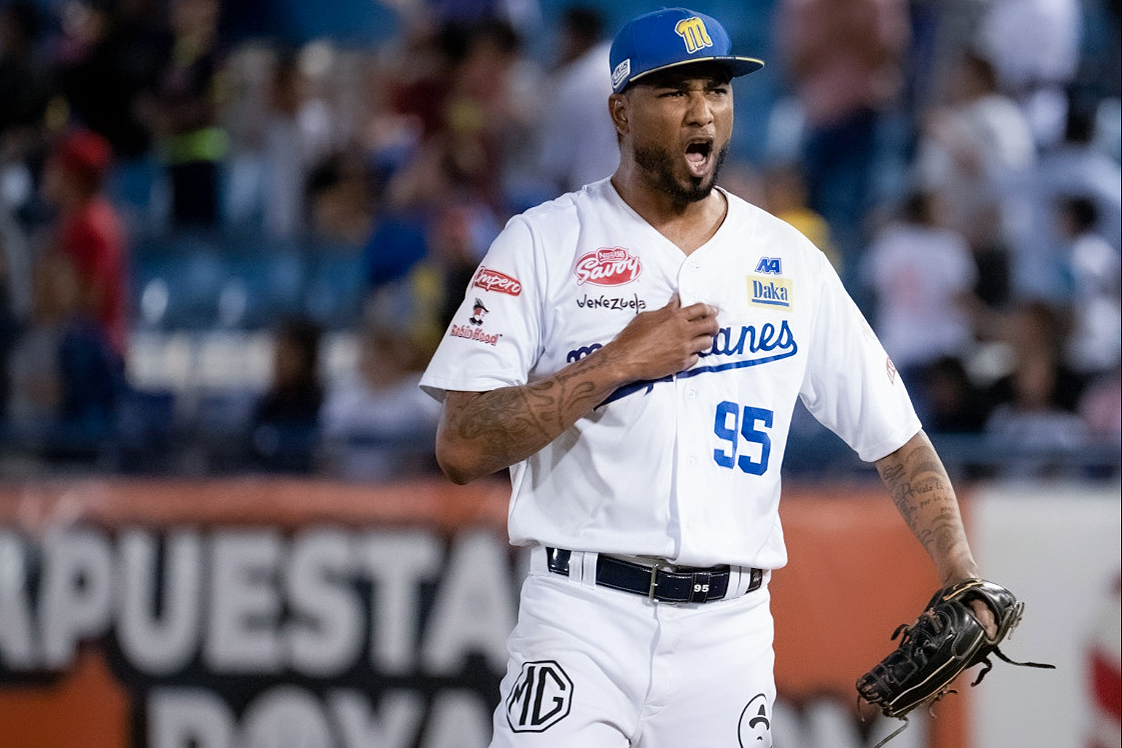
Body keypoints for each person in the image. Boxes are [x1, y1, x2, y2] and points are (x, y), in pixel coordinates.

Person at [419, 9, 997, 746]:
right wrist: (619, 362)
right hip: (580, 617)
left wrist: (959, 567)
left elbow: (899, 440)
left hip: (729, 635)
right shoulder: (543, 242)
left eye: (717, 90)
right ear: (619, 111)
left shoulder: (790, 260)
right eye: (675, 91)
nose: (702, 112)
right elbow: (462, 444)